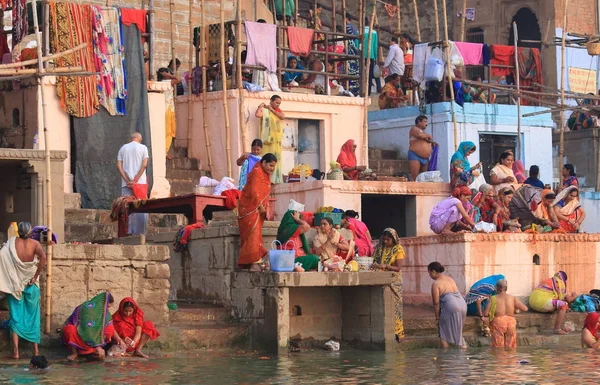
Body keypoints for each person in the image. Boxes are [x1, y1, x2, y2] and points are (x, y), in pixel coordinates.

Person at [0, 222, 46, 359]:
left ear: (18, 232)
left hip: (15, 284)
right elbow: (43, 257)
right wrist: (35, 276)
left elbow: (2, 255)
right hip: (31, 283)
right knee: (33, 317)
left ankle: (15, 352)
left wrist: (10, 275)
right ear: (30, 232)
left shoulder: (11, 243)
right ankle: (35, 352)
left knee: (16, 317)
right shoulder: (35, 244)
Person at [237, 154, 277, 271]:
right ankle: (252, 262)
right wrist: (260, 206)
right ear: (264, 162)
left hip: (257, 208)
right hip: (250, 208)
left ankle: (257, 260)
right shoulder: (257, 172)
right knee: (252, 235)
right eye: (270, 165)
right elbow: (255, 192)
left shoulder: (265, 173)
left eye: (273, 167)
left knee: (256, 235)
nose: (272, 169)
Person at [62, 292, 128, 361]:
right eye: (107, 307)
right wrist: (97, 346)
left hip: (95, 342)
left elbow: (112, 329)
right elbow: (87, 329)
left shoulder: (105, 313)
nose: (107, 309)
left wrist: (119, 340)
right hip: (81, 336)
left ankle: (92, 350)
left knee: (109, 329)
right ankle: (75, 353)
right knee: (69, 329)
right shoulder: (86, 308)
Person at [371, 228, 404, 340]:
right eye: (384, 239)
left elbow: (398, 268)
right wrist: (375, 265)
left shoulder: (398, 249)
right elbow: (373, 261)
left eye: (388, 240)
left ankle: (398, 333)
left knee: (395, 308)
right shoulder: (379, 248)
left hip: (395, 282)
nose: (385, 242)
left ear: (394, 239)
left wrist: (385, 266)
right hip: (380, 279)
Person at [428, 262, 467, 348]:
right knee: (458, 332)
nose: (429, 275)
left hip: (451, 305)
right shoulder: (449, 279)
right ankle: (464, 353)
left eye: (429, 273)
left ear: (433, 271)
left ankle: (445, 357)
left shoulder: (436, 284)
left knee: (443, 332)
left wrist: (437, 318)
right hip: (462, 304)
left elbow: (436, 303)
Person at [117, 132, 149, 235]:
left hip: (126, 184)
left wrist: (127, 180)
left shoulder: (123, 148)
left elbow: (119, 166)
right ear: (140, 139)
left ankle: (127, 231)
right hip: (140, 184)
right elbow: (144, 165)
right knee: (141, 207)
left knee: (127, 207)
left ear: (130, 139)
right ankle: (140, 233)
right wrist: (136, 180)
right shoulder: (143, 148)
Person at [483, 279, 528, 348]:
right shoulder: (512, 298)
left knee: (498, 346)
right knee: (511, 346)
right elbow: (525, 308)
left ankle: (500, 358)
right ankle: (510, 358)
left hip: (498, 322)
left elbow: (485, 313)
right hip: (511, 322)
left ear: (497, 288)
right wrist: (516, 309)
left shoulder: (493, 298)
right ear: (506, 288)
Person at [256, 96, 285, 184]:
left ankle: (275, 179)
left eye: (279, 103)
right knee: (267, 160)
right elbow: (258, 115)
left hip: (276, 142)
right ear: (271, 101)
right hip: (267, 141)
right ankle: (266, 179)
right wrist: (260, 107)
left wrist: (272, 109)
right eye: (276, 102)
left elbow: (282, 117)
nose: (278, 105)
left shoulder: (277, 111)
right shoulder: (265, 110)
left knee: (276, 160)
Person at [408, 115, 435, 181]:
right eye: (425, 121)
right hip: (415, 155)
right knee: (414, 175)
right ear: (419, 122)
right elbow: (420, 135)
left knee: (424, 177)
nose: (426, 124)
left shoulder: (424, 133)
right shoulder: (414, 129)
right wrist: (428, 136)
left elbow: (427, 140)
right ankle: (413, 189)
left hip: (425, 158)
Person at [363, 17, 380, 95]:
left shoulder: (359, 31)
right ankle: (368, 92)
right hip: (371, 55)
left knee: (362, 73)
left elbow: (356, 44)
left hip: (362, 56)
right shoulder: (374, 32)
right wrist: (376, 57)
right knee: (370, 74)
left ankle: (362, 90)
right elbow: (375, 46)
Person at [345, 13, 360, 96]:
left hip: (351, 48)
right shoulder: (355, 27)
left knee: (350, 69)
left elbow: (350, 38)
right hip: (355, 49)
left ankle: (350, 88)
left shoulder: (348, 27)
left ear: (346, 18)